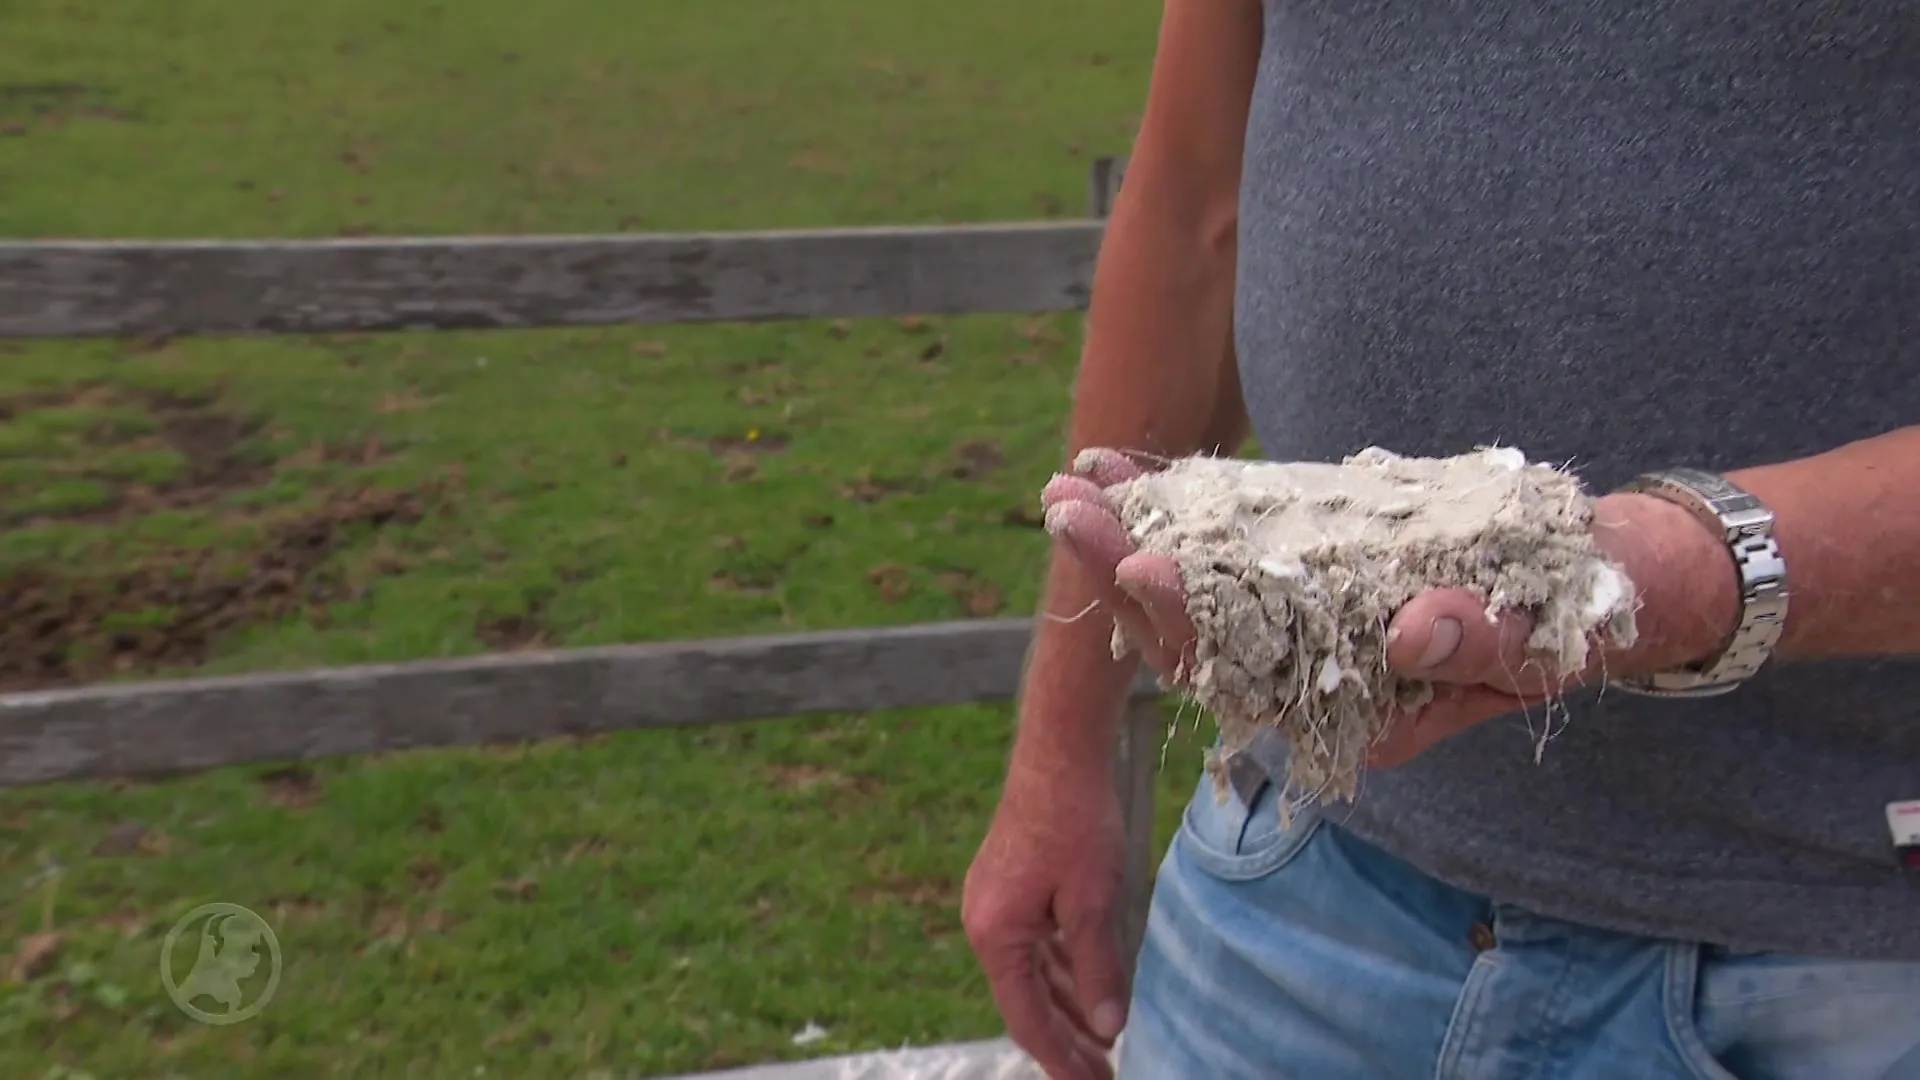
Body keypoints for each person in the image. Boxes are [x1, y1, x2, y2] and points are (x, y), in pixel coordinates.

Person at [960, 1, 1920, 1077]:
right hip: (1299, 888)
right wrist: (1059, 751)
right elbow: (1195, 204)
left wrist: (1688, 573)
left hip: (1841, 952)